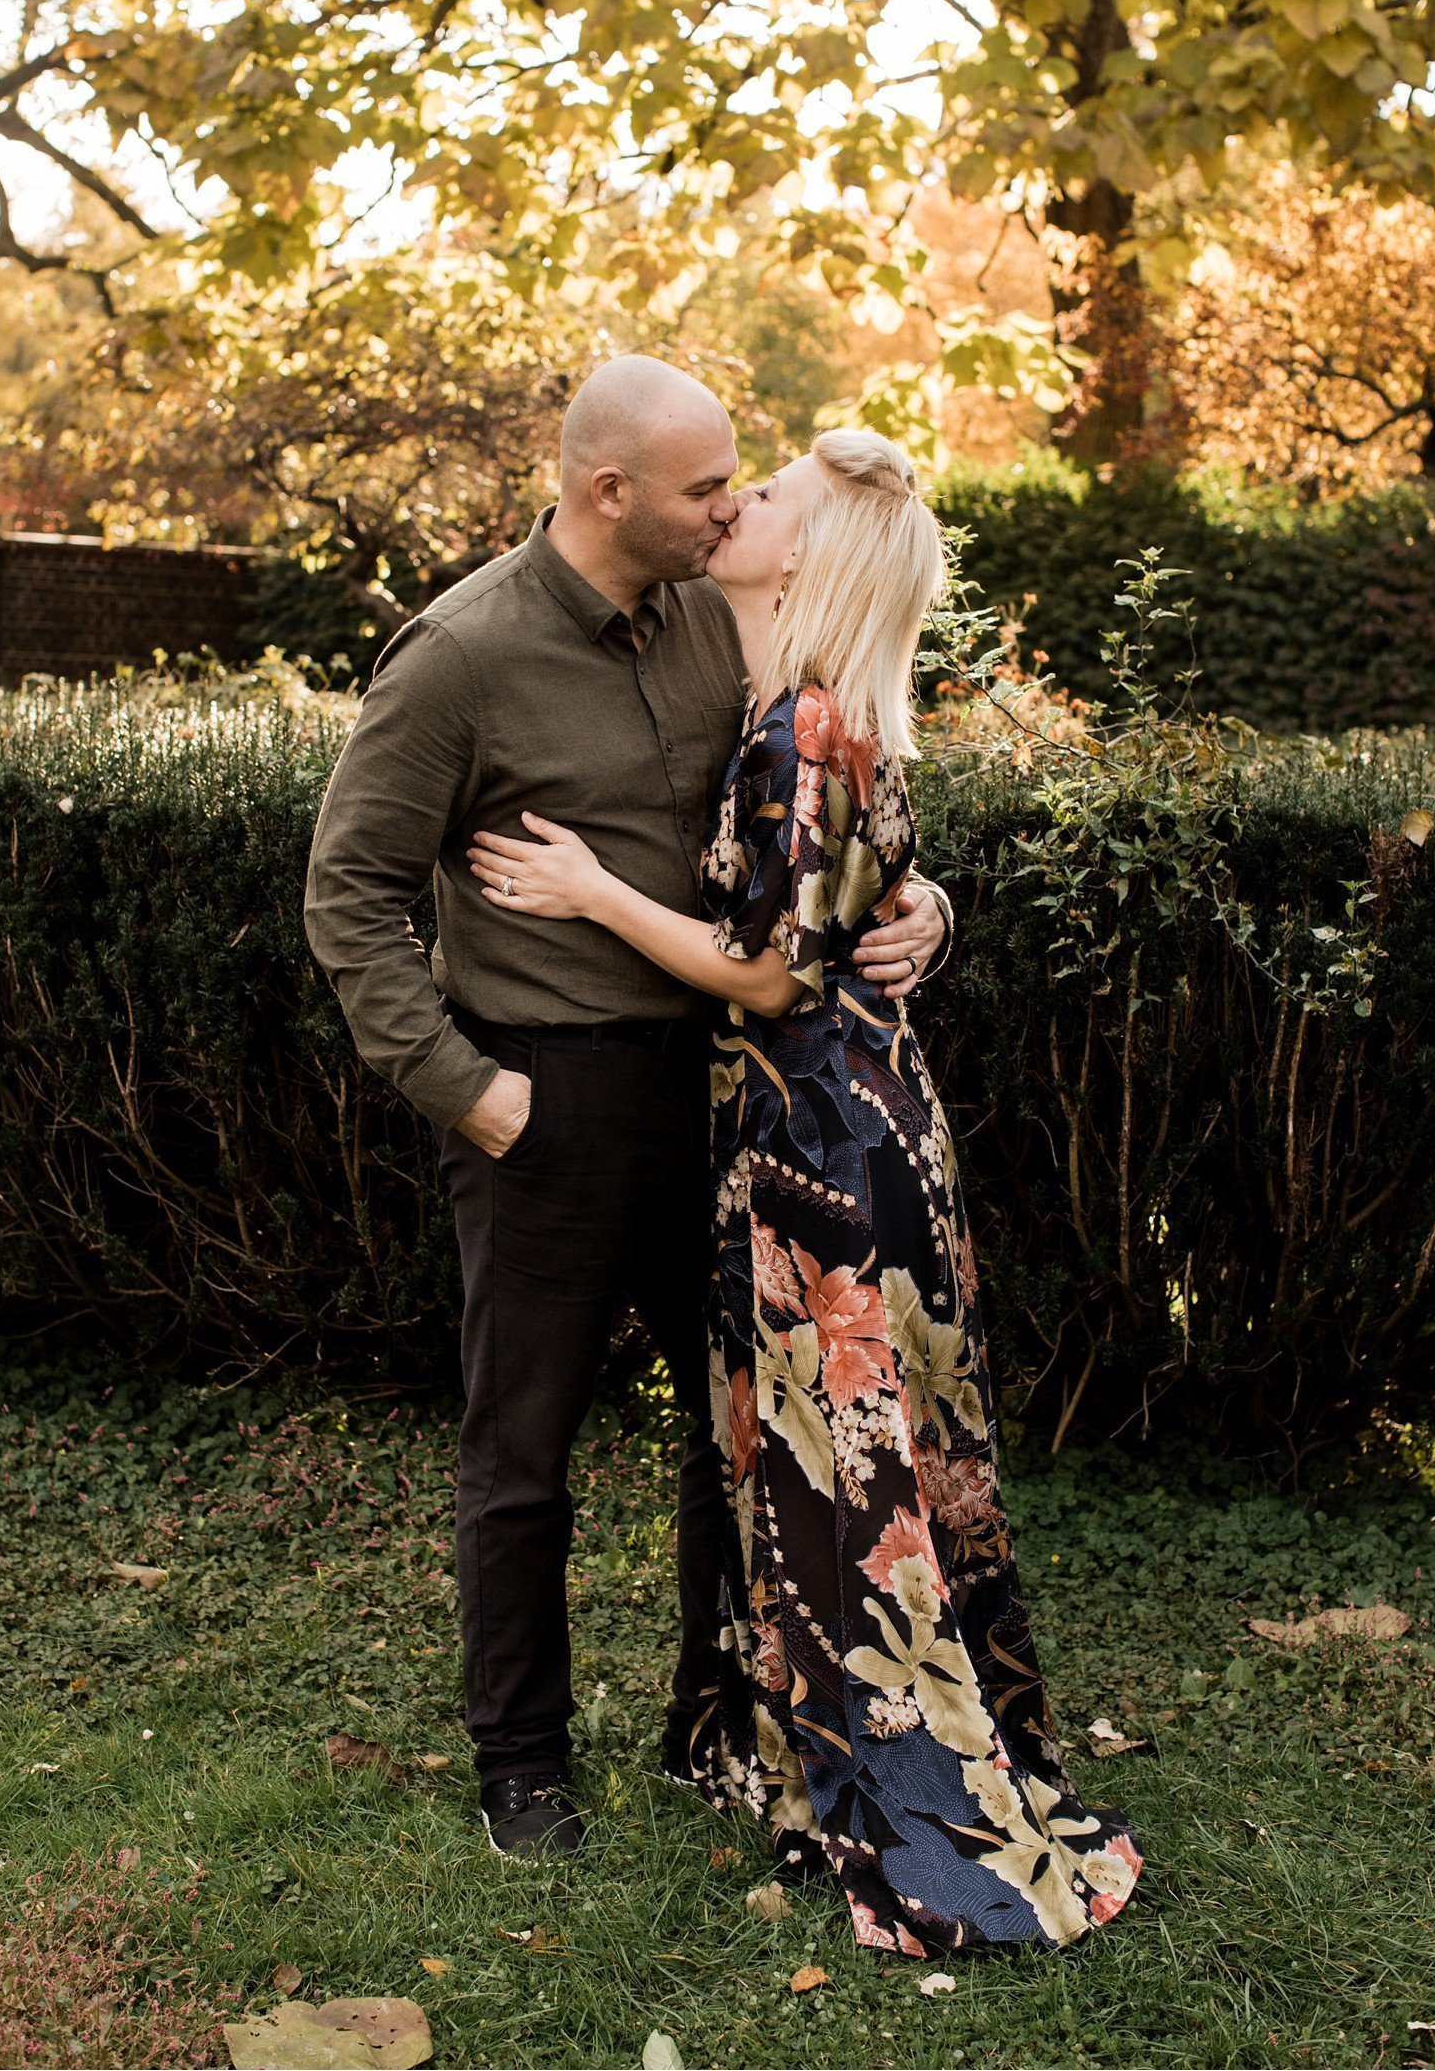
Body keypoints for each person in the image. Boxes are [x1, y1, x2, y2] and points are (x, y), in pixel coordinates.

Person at [466, 426, 1144, 1952]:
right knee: (855, 1457)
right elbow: (862, 897)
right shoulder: (806, 704)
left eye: (763, 497)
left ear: (810, 555)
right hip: (865, 1125)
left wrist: (586, 889)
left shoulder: (795, 728)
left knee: (844, 1469)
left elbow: (769, 973)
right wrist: (922, 905)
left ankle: (876, 1777)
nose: (736, 505)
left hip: (820, 1143)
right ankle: (796, 1737)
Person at [302, 359, 950, 1860]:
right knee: (520, 1450)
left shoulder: (710, 621)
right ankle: (522, 1761)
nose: (732, 504)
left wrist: (925, 904)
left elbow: (811, 822)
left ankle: (712, 1715)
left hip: (730, 1095)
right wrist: (475, 1096)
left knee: (738, 1425)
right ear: (611, 494)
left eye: (741, 483)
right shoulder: (458, 655)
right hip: (548, 1098)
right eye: (706, 486)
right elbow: (349, 899)